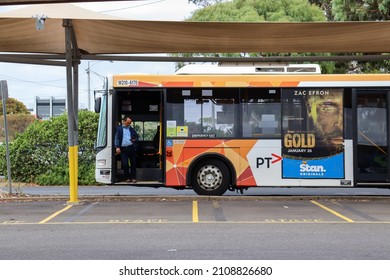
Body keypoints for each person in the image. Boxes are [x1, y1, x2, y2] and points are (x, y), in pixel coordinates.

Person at [114, 116, 139, 183]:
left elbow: (137, 137)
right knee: (125, 164)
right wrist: (117, 147)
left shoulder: (131, 129)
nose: (129, 124)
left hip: (131, 148)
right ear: (124, 121)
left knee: (133, 163)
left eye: (130, 123)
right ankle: (127, 178)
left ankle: (133, 178)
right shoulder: (119, 129)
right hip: (123, 149)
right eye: (128, 123)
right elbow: (117, 138)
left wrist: (134, 140)